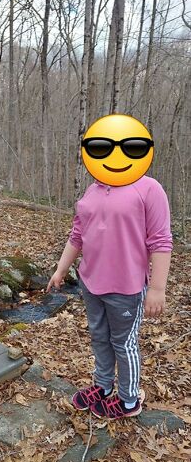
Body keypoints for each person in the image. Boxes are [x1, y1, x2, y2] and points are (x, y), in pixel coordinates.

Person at [47, 176, 172, 419]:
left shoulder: (148, 188)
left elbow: (161, 240)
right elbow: (77, 235)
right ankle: (103, 386)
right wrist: (61, 269)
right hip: (91, 283)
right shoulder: (93, 190)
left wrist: (157, 289)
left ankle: (128, 400)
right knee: (99, 336)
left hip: (127, 287)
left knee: (124, 344)